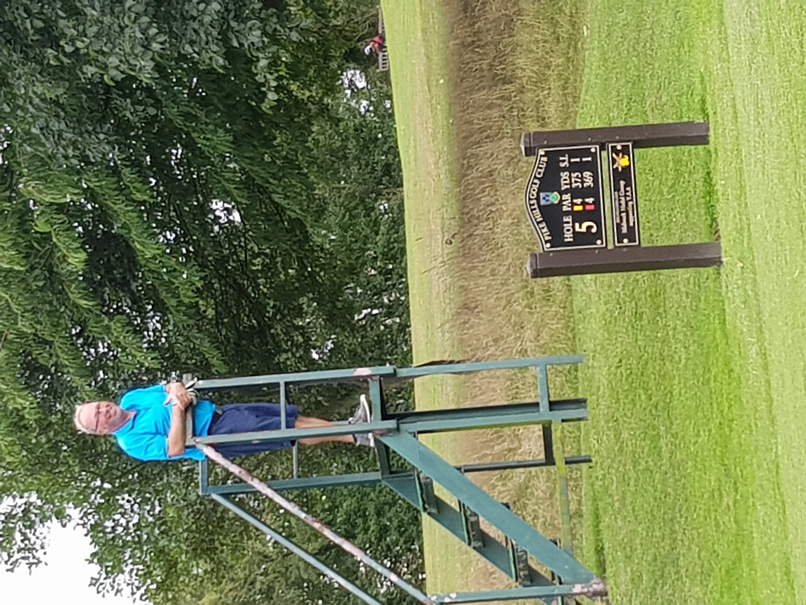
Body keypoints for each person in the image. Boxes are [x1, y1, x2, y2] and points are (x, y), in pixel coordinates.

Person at [73, 382, 374, 462]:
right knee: (287, 430)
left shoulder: (130, 399)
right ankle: (356, 433)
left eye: (98, 406)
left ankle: (354, 428)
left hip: (217, 412)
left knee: (292, 418)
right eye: (97, 416)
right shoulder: (131, 443)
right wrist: (177, 410)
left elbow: (168, 387)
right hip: (214, 435)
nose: (103, 410)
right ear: (101, 431)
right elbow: (174, 448)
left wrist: (175, 388)